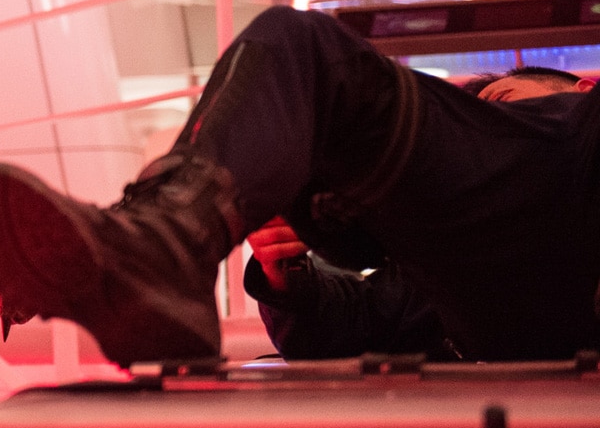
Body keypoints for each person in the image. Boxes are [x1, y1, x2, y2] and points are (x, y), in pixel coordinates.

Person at [0, 6, 600, 366]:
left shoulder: (578, 123)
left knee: (303, 50)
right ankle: (162, 244)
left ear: (584, 84)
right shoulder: (442, 280)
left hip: (576, 173)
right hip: (521, 309)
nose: (481, 116)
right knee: (305, 98)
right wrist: (290, 279)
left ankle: (166, 241)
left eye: (499, 103)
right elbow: (354, 324)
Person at [245, 66, 593, 360]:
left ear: (586, 93)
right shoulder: (449, 256)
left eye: (504, 102)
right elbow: (352, 323)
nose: (495, 139)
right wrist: (284, 270)